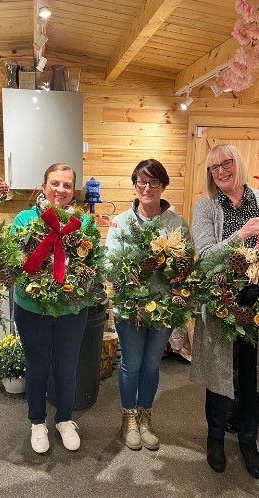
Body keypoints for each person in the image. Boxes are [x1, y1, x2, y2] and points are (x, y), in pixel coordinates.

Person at [190, 143, 259, 479]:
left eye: (226, 163)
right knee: (220, 374)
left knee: (253, 375)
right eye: (213, 168)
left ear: (239, 163)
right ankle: (215, 439)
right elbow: (204, 255)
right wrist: (240, 235)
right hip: (222, 302)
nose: (220, 171)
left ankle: (249, 441)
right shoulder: (206, 208)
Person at [12, 163, 98, 454]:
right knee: (37, 367)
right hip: (31, 307)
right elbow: (15, 262)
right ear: (43, 185)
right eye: (55, 183)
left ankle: (64, 420)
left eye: (66, 185)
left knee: (67, 366)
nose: (60, 189)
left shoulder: (83, 223)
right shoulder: (25, 219)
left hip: (72, 309)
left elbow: (91, 263)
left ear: (73, 190)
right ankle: (37, 422)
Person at [105, 159, 189, 450]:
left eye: (154, 182)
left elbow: (185, 266)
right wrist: (135, 268)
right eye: (142, 181)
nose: (147, 187)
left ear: (163, 186)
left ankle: (145, 416)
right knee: (131, 364)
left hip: (164, 308)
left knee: (152, 365)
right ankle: (129, 417)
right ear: (135, 185)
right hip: (130, 308)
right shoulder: (122, 223)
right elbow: (109, 265)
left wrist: (172, 267)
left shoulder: (176, 224)